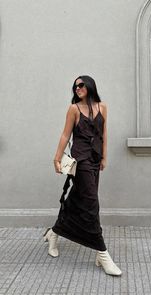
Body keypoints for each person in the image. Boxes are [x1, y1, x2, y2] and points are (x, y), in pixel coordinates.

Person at [43, 75, 122, 276]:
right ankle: (102, 253)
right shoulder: (74, 109)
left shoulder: (102, 107)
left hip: (95, 159)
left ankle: (53, 233)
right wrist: (56, 158)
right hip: (82, 160)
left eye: (81, 85)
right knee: (91, 204)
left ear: (90, 86)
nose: (77, 88)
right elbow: (65, 134)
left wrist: (104, 157)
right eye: (75, 86)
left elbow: (104, 133)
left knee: (79, 200)